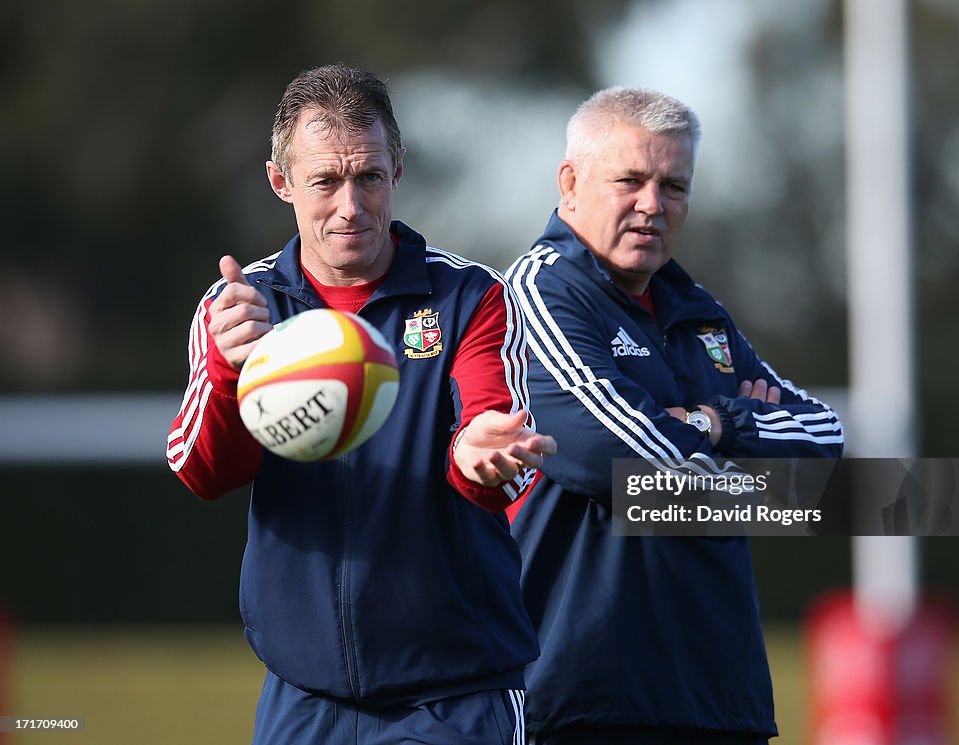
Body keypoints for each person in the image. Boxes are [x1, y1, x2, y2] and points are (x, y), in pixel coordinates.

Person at [166, 64, 556, 745]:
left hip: (457, 696)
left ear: (397, 171)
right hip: (303, 698)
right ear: (280, 181)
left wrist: (482, 456)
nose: (350, 204)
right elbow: (204, 471)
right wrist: (232, 374)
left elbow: (494, 441)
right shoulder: (240, 308)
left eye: (368, 176)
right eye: (326, 180)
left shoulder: (470, 297)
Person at [504, 87, 844, 744]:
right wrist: (755, 480)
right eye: (630, 180)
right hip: (584, 701)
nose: (652, 205)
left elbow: (824, 444)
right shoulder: (540, 292)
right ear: (570, 183)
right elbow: (611, 455)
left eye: (674, 186)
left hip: (721, 700)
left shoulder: (699, 310)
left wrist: (717, 422)